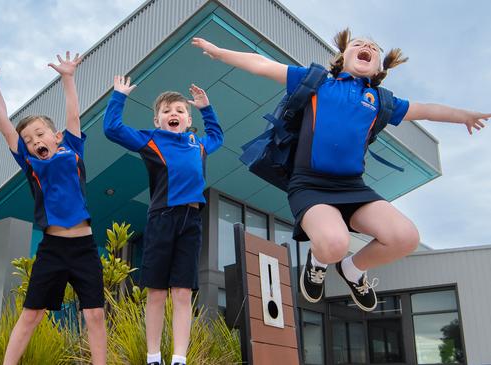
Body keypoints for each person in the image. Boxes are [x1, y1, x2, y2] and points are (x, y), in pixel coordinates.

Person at [192, 30, 488, 312]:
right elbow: (263, 65)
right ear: (343, 56)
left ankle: (353, 269)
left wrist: (464, 115)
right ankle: (318, 263)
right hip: (310, 185)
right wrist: (220, 53)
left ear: (377, 69)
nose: (368, 48)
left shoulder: (381, 101)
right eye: (360, 44)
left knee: (406, 237)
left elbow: (425, 110)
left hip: (353, 187)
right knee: (334, 244)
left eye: (374, 49)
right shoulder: (318, 82)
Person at [0, 52, 107, 365]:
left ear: (56, 136)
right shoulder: (31, 163)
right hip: (53, 249)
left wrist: (68, 78)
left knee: (95, 314)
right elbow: (6, 127)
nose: (35, 141)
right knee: (32, 314)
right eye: (29, 140)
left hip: (85, 247)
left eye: (40, 134)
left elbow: (73, 114)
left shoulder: (71, 147)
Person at [103, 76, 223, 365]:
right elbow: (112, 129)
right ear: (157, 120)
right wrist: (119, 96)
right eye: (167, 111)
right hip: (162, 219)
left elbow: (217, 137)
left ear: (187, 119)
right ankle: (153, 357)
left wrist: (207, 108)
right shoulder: (151, 139)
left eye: (180, 110)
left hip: (191, 221)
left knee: (182, 292)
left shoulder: (198, 144)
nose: (174, 114)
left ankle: (179, 359)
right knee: (156, 292)